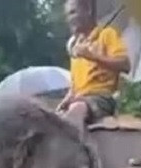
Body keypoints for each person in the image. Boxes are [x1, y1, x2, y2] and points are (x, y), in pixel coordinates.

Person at [56, 0, 130, 128]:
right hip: (79, 98)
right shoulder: (76, 46)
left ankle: (78, 146)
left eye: (73, 12)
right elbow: (76, 85)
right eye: (67, 15)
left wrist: (92, 56)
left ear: (87, 10)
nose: (69, 19)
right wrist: (67, 99)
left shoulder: (107, 34)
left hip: (101, 97)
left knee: (77, 109)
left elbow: (125, 65)